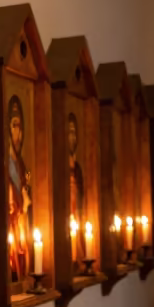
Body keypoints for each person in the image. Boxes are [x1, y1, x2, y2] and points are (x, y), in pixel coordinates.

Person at [7, 94, 33, 282]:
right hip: (11, 229)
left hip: (21, 229)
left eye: (21, 127)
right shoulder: (4, 164)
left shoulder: (22, 164)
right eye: (15, 126)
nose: (19, 134)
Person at [68, 111, 85, 262]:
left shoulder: (78, 167)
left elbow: (82, 195)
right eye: (68, 133)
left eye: (74, 133)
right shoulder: (60, 165)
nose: (71, 137)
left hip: (76, 211)